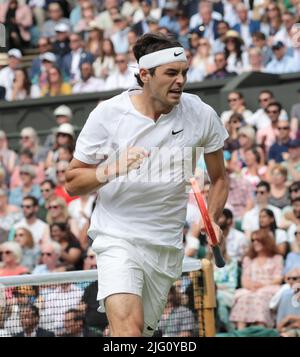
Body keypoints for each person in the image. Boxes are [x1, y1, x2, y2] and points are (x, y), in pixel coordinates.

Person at [66, 33, 229, 337]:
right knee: (129, 331)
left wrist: (214, 219)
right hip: (117, 235)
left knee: (135, 335)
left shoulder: (201, 115)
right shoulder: (108, 114)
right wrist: (110, 169)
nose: (180, 81)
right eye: (171, 73)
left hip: (165, 245)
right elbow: (72, 182)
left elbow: (219, 179)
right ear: (145, 75)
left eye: (184, 73)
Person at [229, 229, 283, 329]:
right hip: (251, 289)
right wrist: (252, 287)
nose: (255, 243)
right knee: (244, 298)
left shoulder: (277, 258)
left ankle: (261, 330)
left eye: (258, 240)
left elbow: (278, 279)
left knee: (259, 297)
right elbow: (244, 280)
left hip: (269, 288)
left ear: (266, 241)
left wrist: (262, 285)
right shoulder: (248, 259)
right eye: (253, 240)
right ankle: (241, 332)